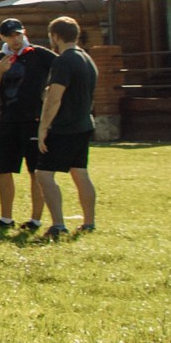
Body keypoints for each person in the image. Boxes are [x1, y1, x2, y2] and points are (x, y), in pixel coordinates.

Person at [0, 16, 55, 229]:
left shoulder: (39, 54)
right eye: (11, 36)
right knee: (3, 169)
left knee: (35, 171)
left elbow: (62, 72)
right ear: (2, 37)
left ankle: (35, 219)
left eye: (19, 34)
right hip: (7, 119)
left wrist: (50, 95)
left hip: (33, 120)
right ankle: (6, 218)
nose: (16, 39)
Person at [32, 15, 100, 237]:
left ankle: (58, 224)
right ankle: (89, 222)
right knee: (80, 172)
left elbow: (55, 98)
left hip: (64, 127)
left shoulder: (63, 60)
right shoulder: (87, 59)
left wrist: (43, 128)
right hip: (83, 123)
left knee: (44, 174)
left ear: (55, 36)